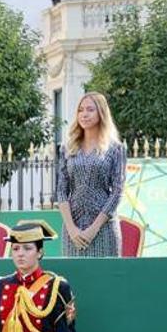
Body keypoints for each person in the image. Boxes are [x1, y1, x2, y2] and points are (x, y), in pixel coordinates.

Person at [57, 92, 126, 258]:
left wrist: (93, 229)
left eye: (90, 109)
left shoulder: (115, 148)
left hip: (104, 228)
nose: (84, 114)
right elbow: (61, 190)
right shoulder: (68, 148)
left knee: (105, 280)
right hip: (73, 230)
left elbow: (117, 192)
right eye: (80, 110)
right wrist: (72, 229)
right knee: (74, 281)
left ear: (101, 113)